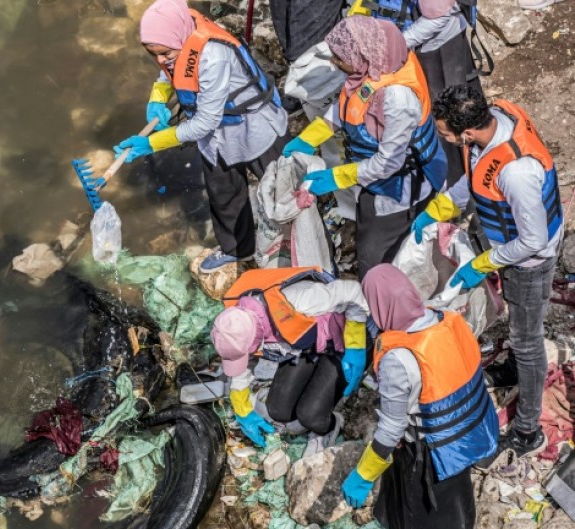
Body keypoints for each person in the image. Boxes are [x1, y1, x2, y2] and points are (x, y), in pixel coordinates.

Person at [411, 85, 562, 463]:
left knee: (527, 341)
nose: (443, 139)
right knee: (518, 331)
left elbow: (533, 241)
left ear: (466, 132)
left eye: (445, 134)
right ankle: (513, 368)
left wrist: (482, 264)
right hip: (509, 248)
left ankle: (527, 431)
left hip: (529, 263)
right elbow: (475, 174)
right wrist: (439, 209)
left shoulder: (517, 173)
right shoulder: (491, 121)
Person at [113, 0, 289, 272]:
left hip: (254, 127)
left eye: (165, 53)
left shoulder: (213, 56)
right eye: (153, 54)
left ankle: (301, 247)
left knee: (285, 190)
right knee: (223, 194)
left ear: (179, 38)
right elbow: (169, 72)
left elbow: (205, 122)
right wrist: (157, 97)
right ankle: (236, 249)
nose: (160, 59)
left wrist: (152, 143)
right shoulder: (178, 40)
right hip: (217, 140)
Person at [282, 16, 448, 278]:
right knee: (367, 228)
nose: (334, 63)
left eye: (340, 58)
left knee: (375, 256)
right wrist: (312, 136)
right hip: (372, 176)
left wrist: (337, 177)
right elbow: (350, 104)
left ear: (364, 56)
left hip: (398, 189)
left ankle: (382, 294)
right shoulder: (375, 65)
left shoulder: (397, 98)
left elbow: (389, 162)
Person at [340, 264, 498, 528]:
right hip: (466, 436)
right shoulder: (448, 319)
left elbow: (392, 428)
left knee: (424, 515)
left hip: (428, 455)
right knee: (458, 508)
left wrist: (363, 475)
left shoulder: (397, 359)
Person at [210, 267, 369, 455]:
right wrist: (242, 408)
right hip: (306, 347)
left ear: (256, 337)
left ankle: (332, 425)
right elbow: (243, 359)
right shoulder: (236, 322)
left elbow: (353, 292)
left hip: (343, 343)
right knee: (278, 411)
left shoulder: (298, 299)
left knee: (311, 417)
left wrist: (356, 345)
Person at [353, 0, 485, 186]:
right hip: (408, 44)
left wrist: (398, 45)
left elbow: (439, 15)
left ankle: (467, 182)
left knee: (450, 120)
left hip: (435, 46)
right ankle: (451, 180)